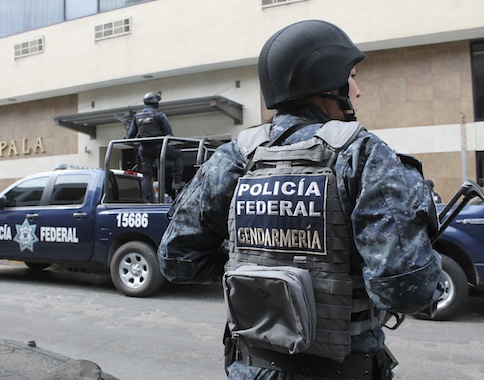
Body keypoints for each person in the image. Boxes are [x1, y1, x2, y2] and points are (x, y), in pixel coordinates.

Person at [158, 20, 444, 379]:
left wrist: (258, 267)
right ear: (327, 82)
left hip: (250, 369)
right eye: (352, 76)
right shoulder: (363, 156)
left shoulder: (234, 157)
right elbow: (406, 289)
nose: (358, 91)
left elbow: (177, 260)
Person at [126, 92, 184, 201]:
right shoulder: (159, 115)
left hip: (144, 150)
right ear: (156, 103)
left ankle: (148, 199)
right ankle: (177, 181)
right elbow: (169, 132)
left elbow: (129, 136)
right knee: (177, 154)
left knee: (146, 175)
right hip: (158, 148)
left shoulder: (137, 116)